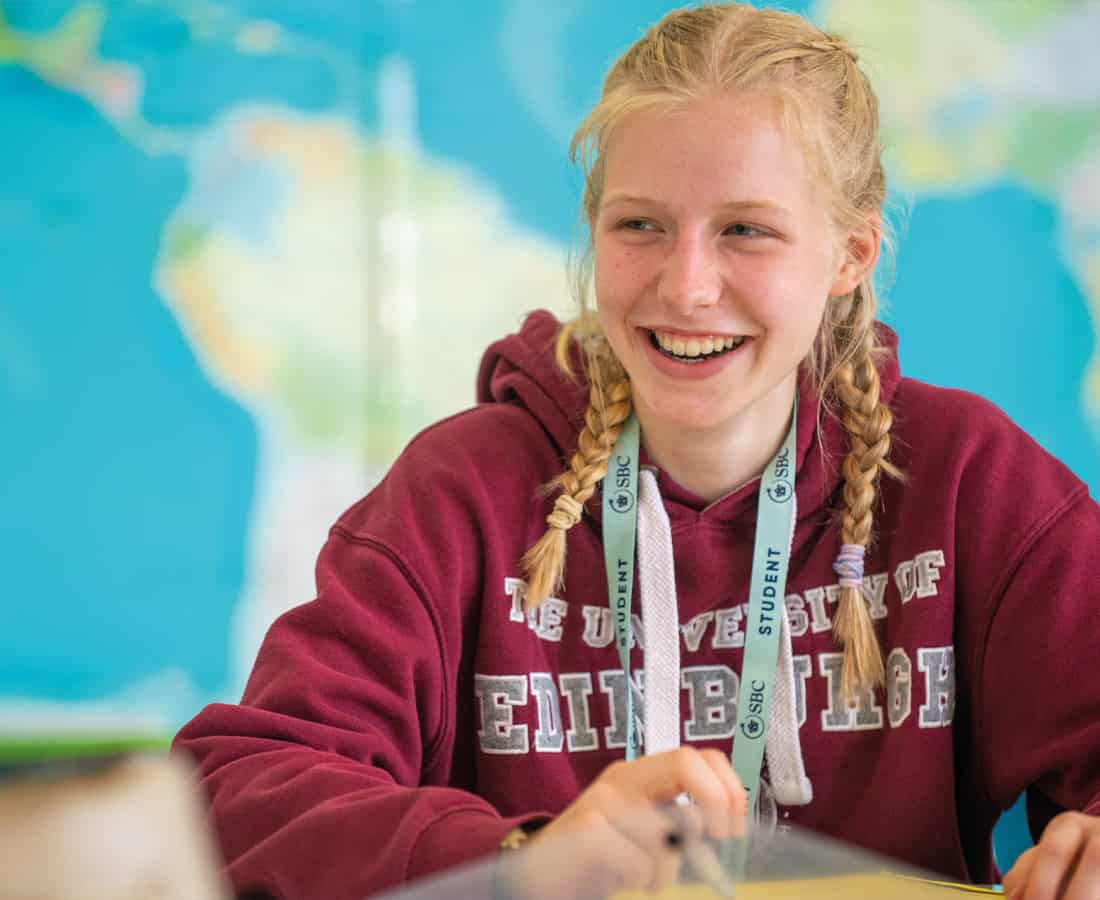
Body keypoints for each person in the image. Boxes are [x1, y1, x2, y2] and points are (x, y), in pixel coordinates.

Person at [173, 4, 1100, 898]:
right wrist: (516, 863)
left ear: (850, 253)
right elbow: (232, 790)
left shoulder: (972, 481)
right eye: (640, 225)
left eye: (746, 230)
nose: (687, 285)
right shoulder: (461, 493)